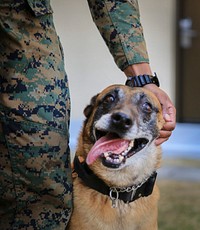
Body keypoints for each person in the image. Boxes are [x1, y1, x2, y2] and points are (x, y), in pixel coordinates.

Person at [0, 0, 176, 229]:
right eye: (110, 100)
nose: (123, 115)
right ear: (89, 115)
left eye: (146, 108)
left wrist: (143, 77)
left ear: (162, 122)